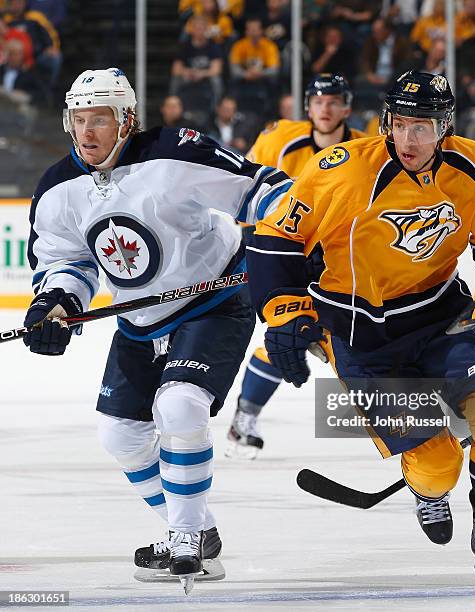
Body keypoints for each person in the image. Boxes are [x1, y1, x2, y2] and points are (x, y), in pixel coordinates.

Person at [246, 70, 475, 596]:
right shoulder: (341, 172)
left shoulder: (473, 165)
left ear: (445, 127)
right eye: (401, 124)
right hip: (361, 338)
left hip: (440, 318)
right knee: (437, 468)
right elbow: (275, 241)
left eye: (424, 127)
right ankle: (426, 486)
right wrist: (286, 314)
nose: (410, 139)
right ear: (386, 121)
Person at [23, 67, 291, 594]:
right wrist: (55, 306)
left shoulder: (176, 153)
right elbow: (68, 263)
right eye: (78, 119)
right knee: (119, 434)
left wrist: (296, 245)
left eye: (99, 118)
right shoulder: (57, 189)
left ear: (127, 120)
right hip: (139, 319)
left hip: (214, 298)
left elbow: (263, 192)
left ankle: (185, 538)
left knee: (180, 406)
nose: (87, 131)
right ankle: (196, 528)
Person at [225, 74, 366, 458]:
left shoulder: (369, 148)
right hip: (288, 255)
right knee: (290, 330)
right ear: (308, 106)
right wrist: (252, 246)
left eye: (335, 102)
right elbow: (244, 186)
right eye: (319, 102)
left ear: (347, 108)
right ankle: (245, 417)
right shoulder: (278, 140)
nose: (326, 109)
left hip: (343, 259)